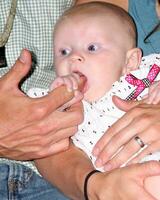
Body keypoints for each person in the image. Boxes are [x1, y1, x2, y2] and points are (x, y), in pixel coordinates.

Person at [0, 0, 160, 200]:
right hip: (114, 179)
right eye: (64, 52)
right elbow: (40, 132)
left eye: (92, 48)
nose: (74, 57)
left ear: (130, 61)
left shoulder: (142, 75)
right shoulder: (66, 103)